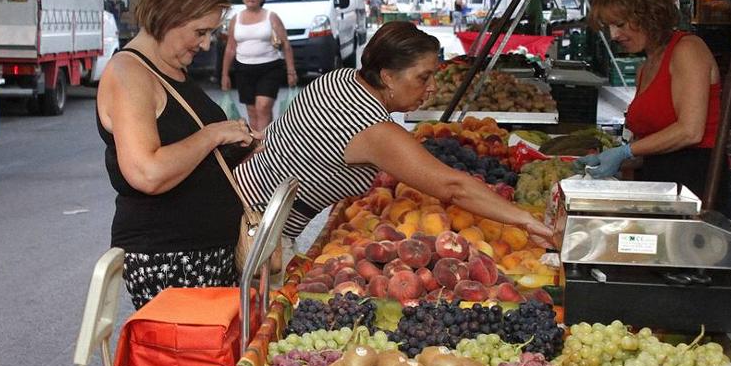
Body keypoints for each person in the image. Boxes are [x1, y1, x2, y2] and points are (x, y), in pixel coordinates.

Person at [234, 21, 557, 246]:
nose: (431, 88)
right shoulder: (371, 127)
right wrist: (525, 220)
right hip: (252, 227)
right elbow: (454, 187)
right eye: (423, 77)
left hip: (236, 196)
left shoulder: (340, 79)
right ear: (387, 76)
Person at [96, 0, 257, 308]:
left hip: (205, 257)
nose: (204, 44)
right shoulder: (130, 74)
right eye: (200, 32)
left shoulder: (170, 70)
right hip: (172, 262)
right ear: (169, 13)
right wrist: (213, 134)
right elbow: (147, 172)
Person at [580, 0, 731, 218]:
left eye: (620, 24)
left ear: (648, 13)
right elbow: (653, 144)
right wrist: (615, 161)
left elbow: (690, 131)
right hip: (662, 190)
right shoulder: (647, 66)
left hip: (699, 191)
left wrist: (626, 152)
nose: (614, 34)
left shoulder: (688, 51)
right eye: (609, 26)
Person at [220, 0, 297, 133]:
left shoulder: (271, 17)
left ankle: (264, 148)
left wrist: (291, 71)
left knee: (263, 106)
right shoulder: (236, 19)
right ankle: (260, 144)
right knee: (252, 111)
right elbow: (230, 47)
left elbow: (286, 45)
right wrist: (224, 74)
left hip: (269, 68)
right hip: (244, 69)